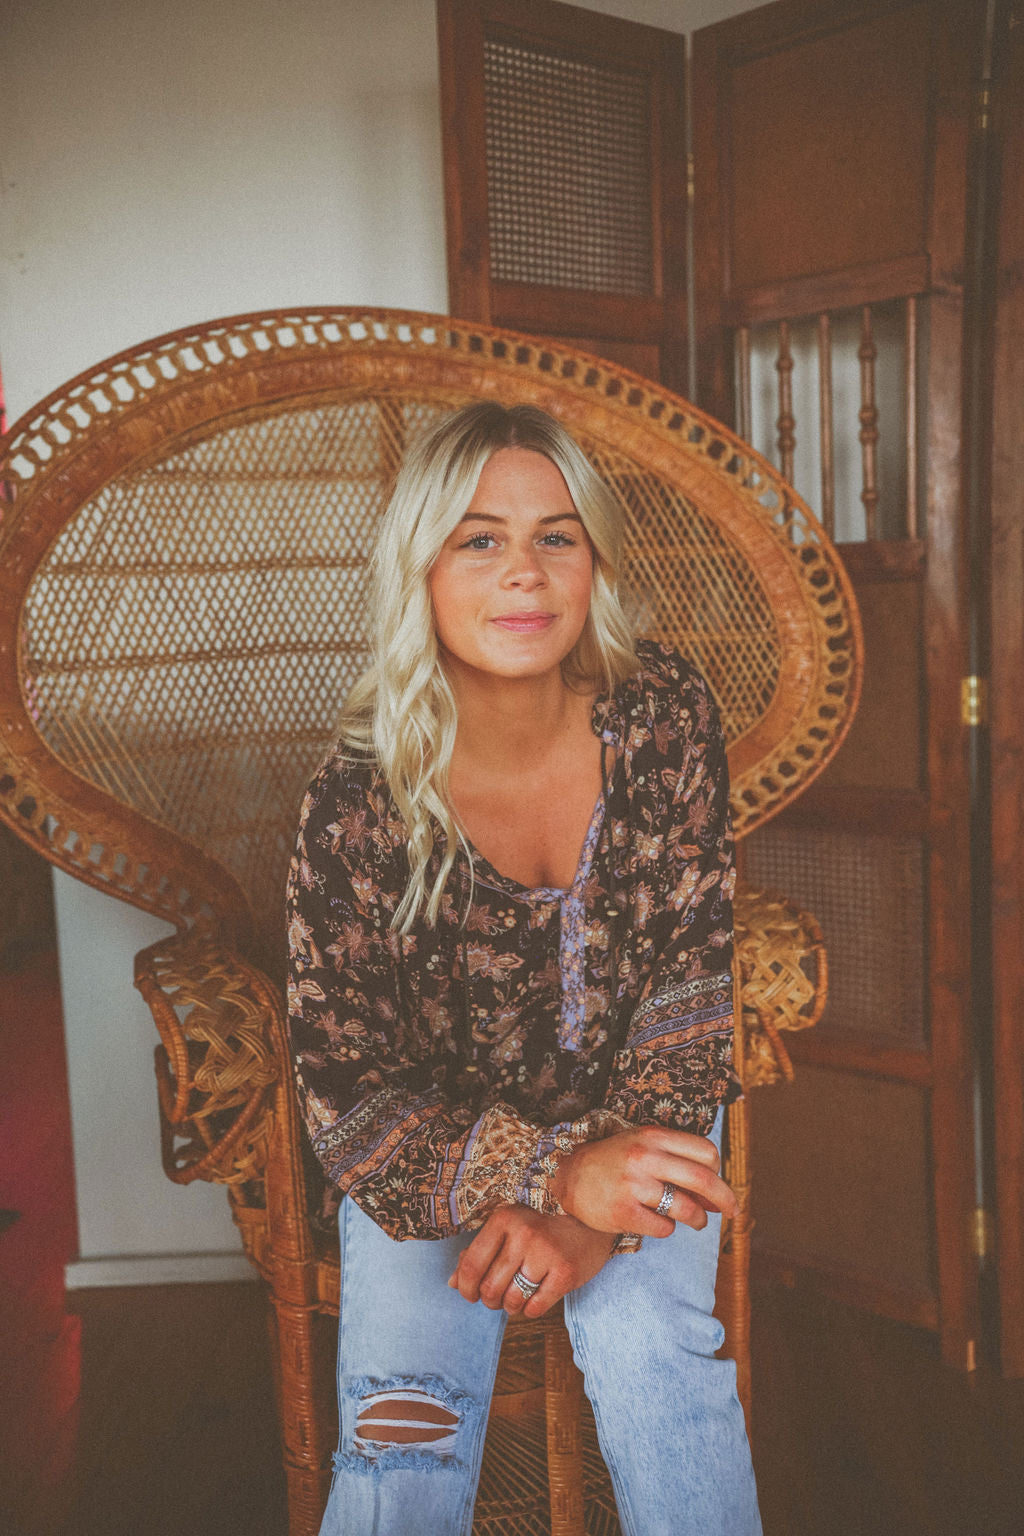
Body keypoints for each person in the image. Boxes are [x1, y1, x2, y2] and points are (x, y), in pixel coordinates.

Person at [285, 402, 762, 1536]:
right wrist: (556, 1174)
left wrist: (597, 1211)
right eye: (479, 539)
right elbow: (351, 1103)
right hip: (433, 1161)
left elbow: (691, 984)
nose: (525, 574)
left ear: (594, 561)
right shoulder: (353, 808)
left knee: (656, 1353)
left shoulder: (663, 717)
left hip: (645, 1122)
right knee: (403, 1426)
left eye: (557, 535)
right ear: (421, 568)